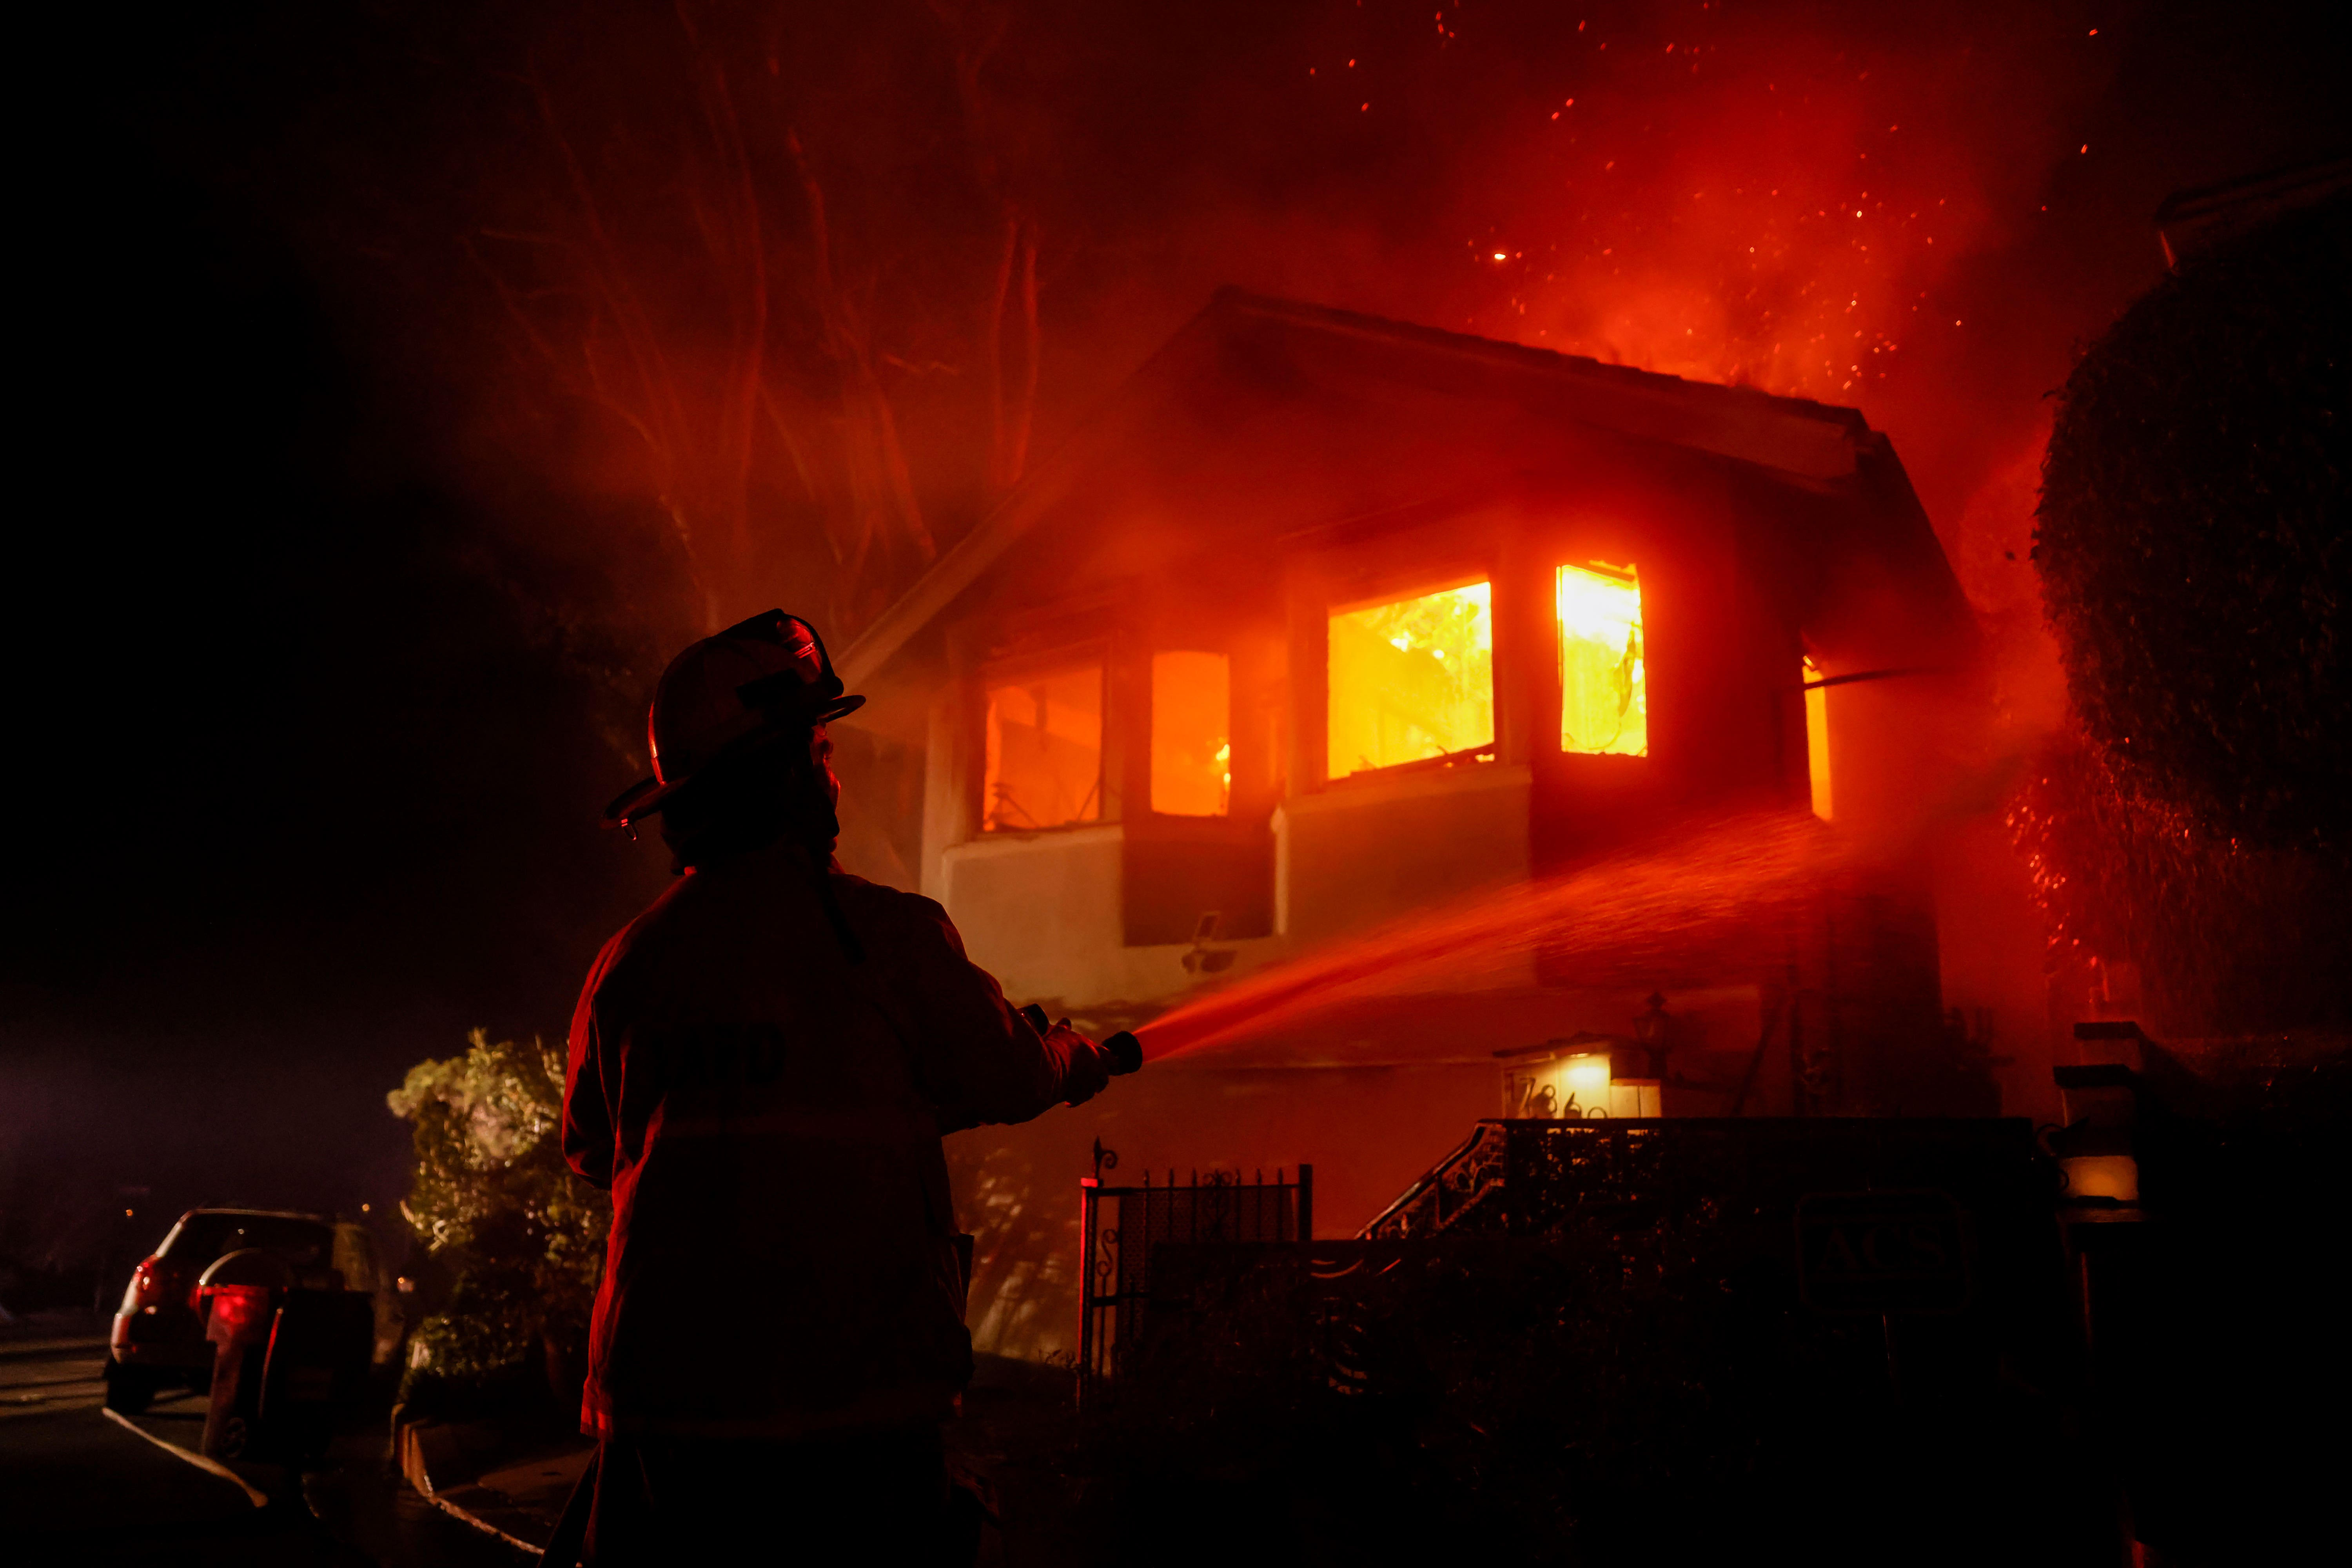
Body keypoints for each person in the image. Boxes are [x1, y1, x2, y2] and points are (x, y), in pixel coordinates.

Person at [559, 610, 1121, 1564]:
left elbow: (592, 1149)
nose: (834, 773)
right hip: (847, 1412)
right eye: (819, 749)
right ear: (782, 772)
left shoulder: (631, 963)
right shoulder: (883, 937)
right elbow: (1012, 1072)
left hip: (663, 1414)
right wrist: (1079, 1054)